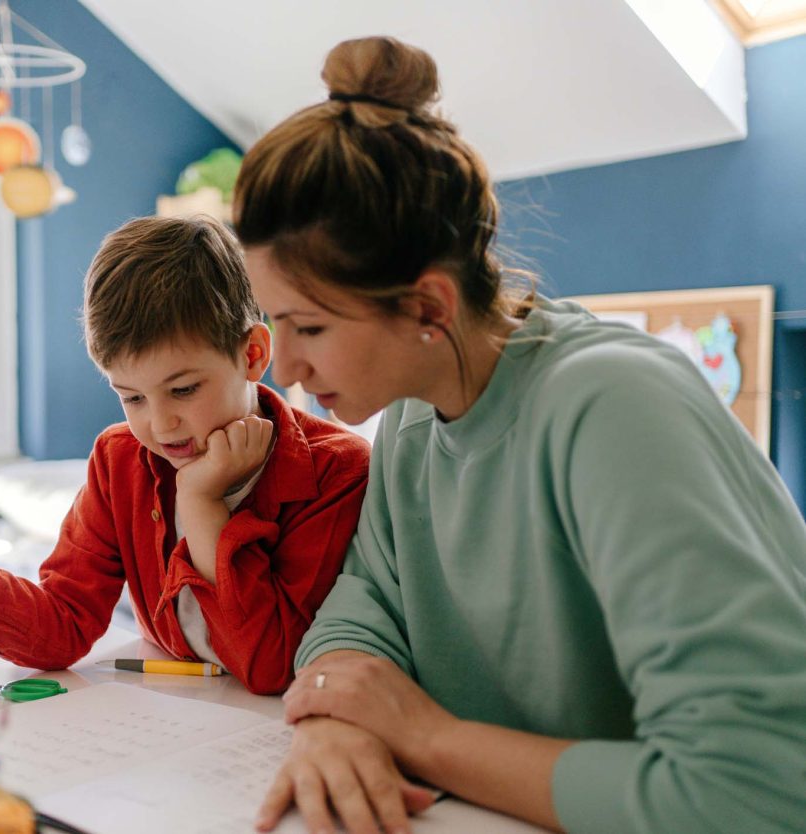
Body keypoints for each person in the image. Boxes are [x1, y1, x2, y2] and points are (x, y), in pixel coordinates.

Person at [236, 35, 806, 834]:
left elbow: (753, 793)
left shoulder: (612, 408)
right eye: (274, 323)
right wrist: (336, 718)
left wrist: (426, 736)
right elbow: (363, 604)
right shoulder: (409, 416)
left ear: (429, 308)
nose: (284, 365)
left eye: (309, 327)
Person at [0, 215, 371, 696]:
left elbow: (271, 666)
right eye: (132, 397)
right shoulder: (119, 459)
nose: (160, 424)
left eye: (185, 389)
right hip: (169, 725)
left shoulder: (337, 470)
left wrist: (201, 505)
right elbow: (62, 626)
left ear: (253, 354)